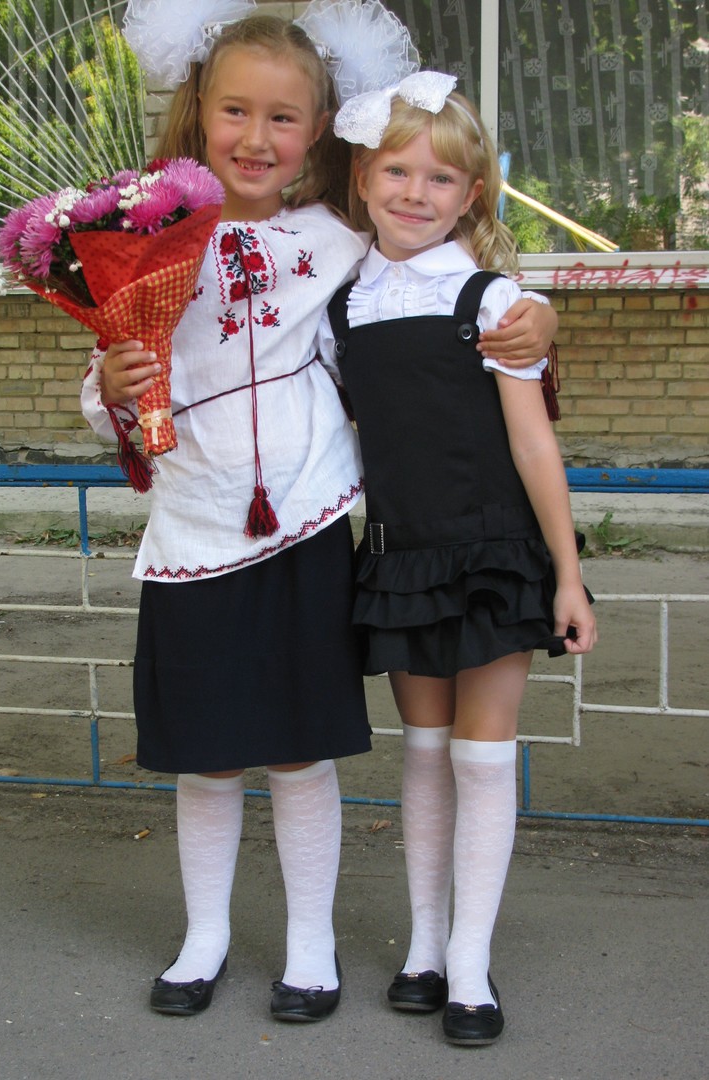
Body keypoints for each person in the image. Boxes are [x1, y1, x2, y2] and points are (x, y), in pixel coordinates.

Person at [81, 1, 558, 1023]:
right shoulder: (144, 243)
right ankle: (204, 937)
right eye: (236, 111)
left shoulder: (336, 238)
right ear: (198, 111)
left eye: (284, 118)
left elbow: (436, 273)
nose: (257, 137)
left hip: (305, 527)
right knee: (206, 752)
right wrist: (113, 384)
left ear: (319, 130)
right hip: (194, 528)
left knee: (299, 745)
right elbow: (106, 377)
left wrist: (540, 313)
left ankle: (311, 946)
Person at [324, 72, 597, 1045]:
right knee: (425, 753)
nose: (416, 192)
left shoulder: (493, 299)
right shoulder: (343, 306)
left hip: (493, 557)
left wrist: (567, 574)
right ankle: (425, 947)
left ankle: (472, 967)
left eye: (441, 178)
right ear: (363, 180)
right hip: (400, 557)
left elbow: (532, 444)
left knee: (483, 759)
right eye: (396, 171)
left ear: (472, 194)